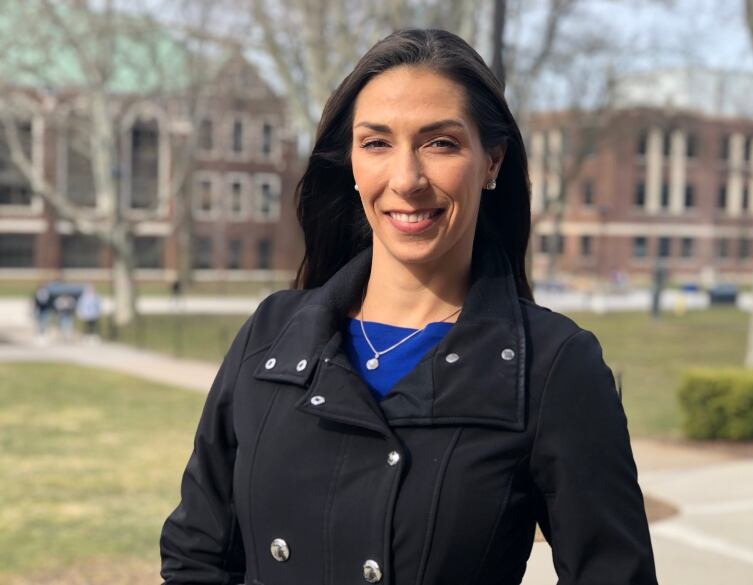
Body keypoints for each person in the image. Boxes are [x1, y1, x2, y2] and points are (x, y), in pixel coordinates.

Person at [160, 29, 658, 585]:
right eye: (376, 143)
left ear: (492, 161)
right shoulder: (272, 335)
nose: (406, 179)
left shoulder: (553, 365)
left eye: (440, 143)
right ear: (351, 162)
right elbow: (196, 555)